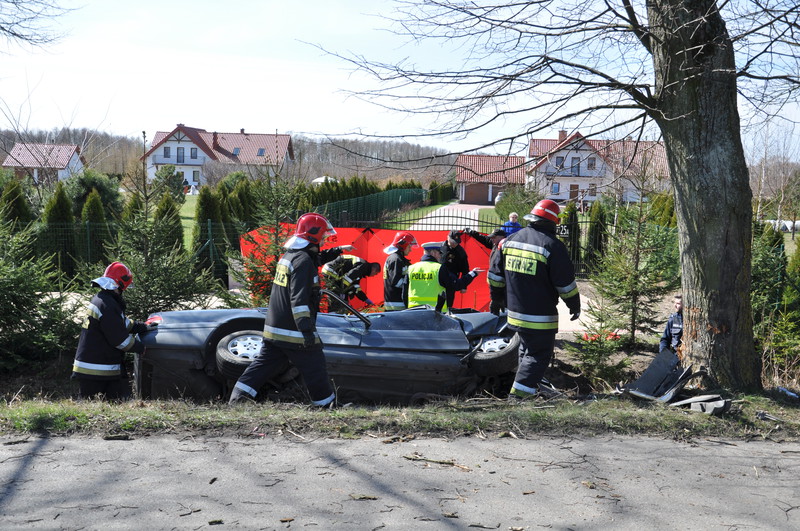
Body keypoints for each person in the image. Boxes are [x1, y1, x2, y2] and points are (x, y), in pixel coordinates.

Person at [229, 213, 337, 407]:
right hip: (293, 331)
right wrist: (306, 331)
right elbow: (299, 299)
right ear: (314, 236)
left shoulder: (291, 256)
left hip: (275, 329)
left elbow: (313, 261)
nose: (324, 240)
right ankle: (326, 405)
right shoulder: (303, 262)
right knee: (315, 365)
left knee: (262, 367)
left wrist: (335, 252)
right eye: (323, 237)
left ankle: (237, 400)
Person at [489, 199, 580, 400]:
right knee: (538, 355)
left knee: (526, 352)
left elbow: (495, 276)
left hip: (513, 314)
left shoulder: (509, 241)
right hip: (539, 316)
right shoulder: (553, 246)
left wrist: (496, 300)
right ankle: (519, 399)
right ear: (552, 222)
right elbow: (565, 285)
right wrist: (575, 305)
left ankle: (527, 391)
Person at [72, 261, 156, 400]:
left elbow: (122, 323)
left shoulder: (103, 300)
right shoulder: (108, 305)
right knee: (103, 408)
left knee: (113, 404)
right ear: (120, 285)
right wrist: (142, 347)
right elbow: (120, 340)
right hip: (97, 370)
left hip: (98, 366)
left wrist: (144, 326)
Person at [408, 241, 483, 312]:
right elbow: (456, 285)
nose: (441, 256)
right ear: (433, 253)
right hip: (435, 312)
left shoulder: (411, 268)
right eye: (439, 253)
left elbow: (404, 293)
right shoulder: (439, 268)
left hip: (414, 311)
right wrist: (473, 274)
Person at [464, 227, 508, 314]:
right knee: (494, 310)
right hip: (494, 289)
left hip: (503, 290)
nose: (492, 239)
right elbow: (484, 239)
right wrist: (471, 232)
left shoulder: (507, 249)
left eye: (494, 237)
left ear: (502, 237)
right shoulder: (495, 245)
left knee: (502, 311)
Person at [383, 231, 418, 311]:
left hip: (397, 303)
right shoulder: (395, 259)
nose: (410, 250)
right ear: (403, 245)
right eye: (409, 246)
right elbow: (396, 281)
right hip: (396, 305)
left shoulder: (398, 259)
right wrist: (412, 285)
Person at [439, 229, 470, 310]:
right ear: (448, 237)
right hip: (438, 280)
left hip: (451, 281)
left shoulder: (460, 252)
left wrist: (464, 286)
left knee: (448, 304)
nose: (454, 244)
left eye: (456, 242)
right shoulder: (440, 247)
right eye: (453, 241)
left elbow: (465, 269)